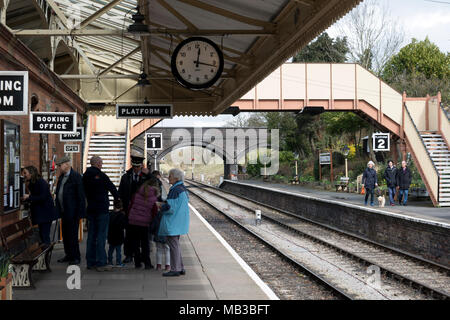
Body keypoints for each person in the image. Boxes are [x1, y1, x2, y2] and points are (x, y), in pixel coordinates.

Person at [83, 156, 119, 271]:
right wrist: (117, 202)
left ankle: (90, 262)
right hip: (102, 210)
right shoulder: (102, 176)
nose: (102, 165)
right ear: (98, 164)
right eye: (101, 163)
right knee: (101, 236)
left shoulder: (84, 176)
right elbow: (113, 189)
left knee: (91, 236)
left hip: (90, 210)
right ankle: (101, 262)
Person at [118, 150, 154, 264]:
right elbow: (121, 193)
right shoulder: (126, 177)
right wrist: (121, 208)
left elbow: (157, 184)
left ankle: (145, 258)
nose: (136, 169)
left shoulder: (147, 178)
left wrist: (149, 174)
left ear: (141, 166)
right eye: (134, 166)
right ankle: (129, 255)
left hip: (143, 212)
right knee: (129, 236)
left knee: (144, 238)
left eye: (138, 167)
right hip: (129, 211)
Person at [158, 168, 190, 277]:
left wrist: (160, 206)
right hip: (179, 221)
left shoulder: (174, 190)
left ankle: (175, 269)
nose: (168, 177)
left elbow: (170, 208)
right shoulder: (182, 188)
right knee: (175, 245)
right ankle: (180, 267)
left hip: (173, 222)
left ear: (176, 178)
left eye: (170, 176)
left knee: (173, 246)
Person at [55, 156, 86, 265]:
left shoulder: (75, 177)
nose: (58, 167)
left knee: (73, 236)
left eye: (60, 165)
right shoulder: (62, 177)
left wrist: (80, 213)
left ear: (66, 164)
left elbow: (81, 196)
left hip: (73, 212)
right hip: (64, 211)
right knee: (66, 236)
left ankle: (76, 257)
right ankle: (68, 255)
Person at [127, 177, 160, 269]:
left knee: (135, 243)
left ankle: (137, 263)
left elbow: (131, 206)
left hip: (133, 221)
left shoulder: (136, 194)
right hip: (144, 223)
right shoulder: (153, 198)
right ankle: (147, 264)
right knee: (145, 244)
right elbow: (154, 213)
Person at [22, 166, 58, 245]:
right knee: (42, 236)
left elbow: (43, 197)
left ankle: (46, 256)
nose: (24, 175)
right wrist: (27, 198)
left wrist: (29, 197)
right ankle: (44, 254)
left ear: (31, 173)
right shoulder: (32, 183)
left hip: (46, 214)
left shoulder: (40, 182)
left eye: (25, 173)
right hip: (41, 214)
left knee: (45, 236)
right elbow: (36, 196)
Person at [150, 170, 170, 270]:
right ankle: (167, 265)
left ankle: (158, 265)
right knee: (167, 249)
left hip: (158, 233)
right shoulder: (167, 215)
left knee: (158, 249)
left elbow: (153, 224)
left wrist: (152, 231)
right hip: (166, 233)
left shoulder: (157, 214)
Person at [108, 199, 127, 267]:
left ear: (113, 206)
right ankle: (118, 262)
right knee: (118, 250)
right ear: (121, 207)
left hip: (111, 235)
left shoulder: (110, 214)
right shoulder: (122, 215)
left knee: (111, 250)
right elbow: (124, 225)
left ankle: (110, 262)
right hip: (119, 235)